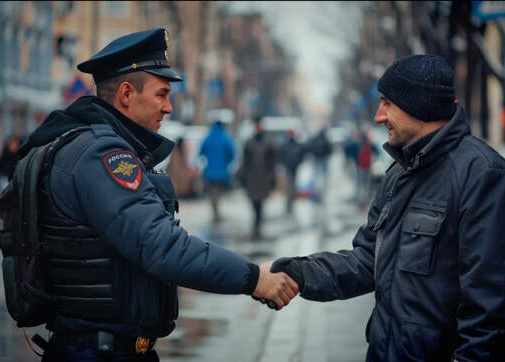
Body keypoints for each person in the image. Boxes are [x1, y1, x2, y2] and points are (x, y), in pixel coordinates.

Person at [16, 29, 297, 361]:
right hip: (101, 352)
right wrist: (253, 278)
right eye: (161, 94)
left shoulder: (88, 145)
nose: (168, 107)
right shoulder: (102, 155)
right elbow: (160, 245)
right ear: (125, 94)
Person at [268, 55, 505, 361]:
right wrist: (299, 273)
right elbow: (368, 261)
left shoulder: (485, 177)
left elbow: (489, 314)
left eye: (387, 103)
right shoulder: (399, 173)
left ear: (419, 105)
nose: (379, 116)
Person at [241, 117, 277, 239]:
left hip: (263, 178)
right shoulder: (249, 142)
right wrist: (243, 177)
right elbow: (245, 161)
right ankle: (256, 221)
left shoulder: (268, 143)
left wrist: (272, 177)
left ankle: (258, 222)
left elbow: (273, 162)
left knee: (260, 201)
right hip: (252, 177)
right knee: (254, 201)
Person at [199, 119, 236, 223]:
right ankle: (216, 209)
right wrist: (226, 162)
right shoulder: (225, 138)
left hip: (210, 172)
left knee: (212, 191)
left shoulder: (208, 138)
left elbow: (201, 152)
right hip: (222, 172)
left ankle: (215, 209)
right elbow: (232, 153)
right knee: (218, 191)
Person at [279, 129, 304, 214]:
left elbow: (301, 154)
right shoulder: (286, 145)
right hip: (289, 167)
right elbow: (281, 155)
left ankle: (291, 199)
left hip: (293, 167)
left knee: (292, 184)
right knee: (289, 185)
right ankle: (289, 200)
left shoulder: (295, 144)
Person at [306, 128, 332, 200]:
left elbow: (310, 146)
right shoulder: (325, 139)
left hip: (317, 158)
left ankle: (315, 190)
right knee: (324, 176)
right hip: (323, 159)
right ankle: (322, 190)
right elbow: (329, 148)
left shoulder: (315, 139)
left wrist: (313, 154)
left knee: (316, 175)